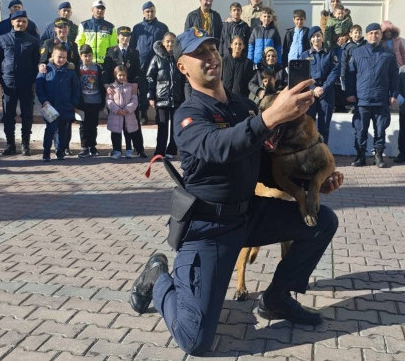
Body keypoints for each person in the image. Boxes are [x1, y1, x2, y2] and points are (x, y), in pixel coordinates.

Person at [128, 27, 342, 356]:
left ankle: (276, 298)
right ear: (183, 66)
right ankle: (158, 278)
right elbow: (219, 147)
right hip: (210, 227)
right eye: (200, 53)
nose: (211, 56)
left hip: (249, 214)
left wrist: (309, 185)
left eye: (213, 49)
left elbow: (262, 166)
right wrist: (270, 116)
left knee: (322, 221)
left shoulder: (241, 106)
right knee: (196, 340)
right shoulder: (189, 114)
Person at [346, 23, 398, 168]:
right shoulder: (357, 52)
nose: (374, 36)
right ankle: (360, 156)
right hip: (362, 99)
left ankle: (378, 157)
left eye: (377, 33)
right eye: (371, 33)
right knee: (360, 130)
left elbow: (394, 76)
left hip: (381, 99)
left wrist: (394, 94)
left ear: (381, 35)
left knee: (380, 130)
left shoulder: (389, 54)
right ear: (366, 35)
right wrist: (350, 93)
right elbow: (350, 75)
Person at [0, 10, 41, 156]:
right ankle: (10, 144)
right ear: (12, 22)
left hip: (27, 84)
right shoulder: (2, 39)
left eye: (24, 21)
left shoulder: (33, 41)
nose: (21, 24)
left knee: (27, 115)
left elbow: (37, 62)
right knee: (8, 115)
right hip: (8, 83)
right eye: (18, 21)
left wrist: (36, 81)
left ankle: (25, 144)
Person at [36, 44, 79, 161]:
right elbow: (39, 88)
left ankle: (60, 151)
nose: (61, 60)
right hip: (49, 106)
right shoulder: (45, 70)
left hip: (66, 106)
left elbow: (76, 89)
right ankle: (46, 152)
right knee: (50, 129)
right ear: (52, 56)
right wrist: (44, 101)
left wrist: (73, 103)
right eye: (59, 57)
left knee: (63, 131)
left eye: (64, 57)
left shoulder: (70, 72)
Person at [131, 1, 169, 125]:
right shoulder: (137, 28)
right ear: (143, 12)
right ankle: (144, 114)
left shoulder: (162, 27)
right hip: (142, 65)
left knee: (158, 90)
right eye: (147, 11)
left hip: (158, 65)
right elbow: (132, 46)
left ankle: (159, 115)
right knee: (142, 90)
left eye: (152, 11)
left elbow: (166, 45)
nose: (150, 13)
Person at [147, 32, 183, 158]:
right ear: (163, 43)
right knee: (162, 126)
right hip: (161, 98)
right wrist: (151, 96)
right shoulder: (156, 58)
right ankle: (159, 151)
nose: (170, 44)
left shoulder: (179, 58)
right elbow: (150, 77)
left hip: (177, 98)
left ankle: (171, 150)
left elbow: (184, 78)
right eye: (167, 41)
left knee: (175, 126)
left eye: (172, 42)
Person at [303, 26, 340, 144]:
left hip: (326, 92)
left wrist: (323, 88)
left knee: (324, 126)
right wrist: (313, 89)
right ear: (310, 40)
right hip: (310, 93)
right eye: (313, 37)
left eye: (318, 35)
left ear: (322, 38)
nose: (316, 38)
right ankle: (311, 153)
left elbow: (334, 72)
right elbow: (302, 75)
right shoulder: (304, 55)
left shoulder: (330, 53)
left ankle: (323, 153)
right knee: (309, 125)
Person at [107, 65, 146, 159]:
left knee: (128, 133)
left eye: (124, 75)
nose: (122, 77)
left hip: (128, 116)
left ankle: (129, 150)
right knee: (115, 133)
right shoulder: (111, 88)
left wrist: (127, 109)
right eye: (120, 75)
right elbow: (109, 101)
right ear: (115, 75)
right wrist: (117, 110)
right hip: (116, 116)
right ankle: (117, 150)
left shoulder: (130, 87)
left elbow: (134, 100)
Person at [73, 44, 105, 158]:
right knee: (83, 125)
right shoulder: (77, 68)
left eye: (90, 55)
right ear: (81, 56)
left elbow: (101, 85)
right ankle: (84, 147)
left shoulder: (97, 68)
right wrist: (75, 102)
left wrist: (103, 102)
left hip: (95, 101)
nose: (88, 58)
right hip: (82, 102)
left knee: (93, 125)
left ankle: (92, 146)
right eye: (85, 56)